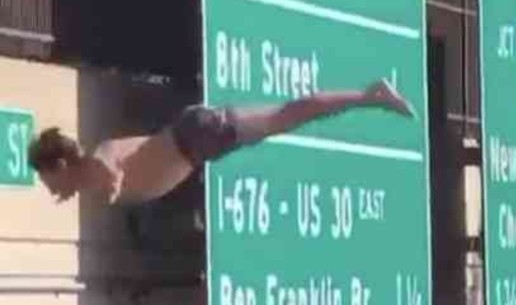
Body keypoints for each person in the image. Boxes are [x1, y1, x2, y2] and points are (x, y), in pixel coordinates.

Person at [26, 78, 414, 206]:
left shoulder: (99, 157)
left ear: (59, 166)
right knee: (286, 117)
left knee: (287, 116)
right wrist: (76, 189)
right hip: (197, 141)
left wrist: (112, 183)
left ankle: (370, 96)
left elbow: (107, 166)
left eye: (49, 182)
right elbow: (93, 176)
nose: (52, 191)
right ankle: (369, 97)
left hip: (195, 135)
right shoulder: (85, 174)